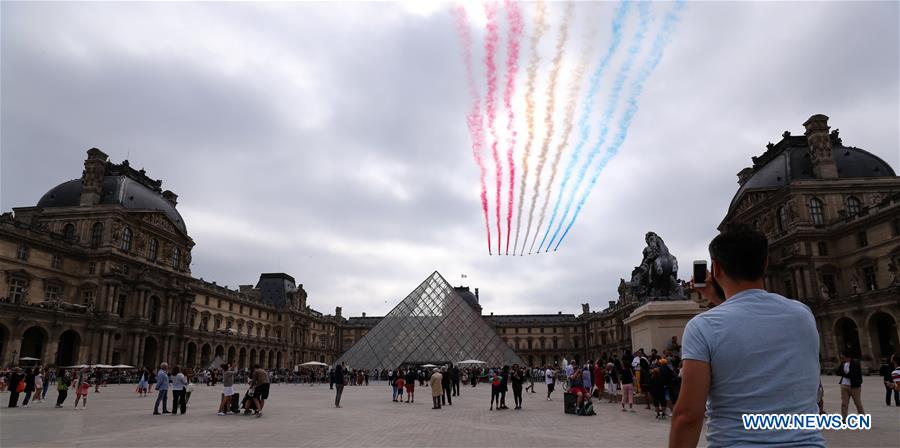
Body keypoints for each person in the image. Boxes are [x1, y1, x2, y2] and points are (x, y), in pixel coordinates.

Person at [670, 225, 824, 448]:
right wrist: (716, 298)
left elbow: (688, 415)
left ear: (716, 268)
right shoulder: (803, 314)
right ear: (765, 263)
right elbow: (750, 321)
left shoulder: (702, 327)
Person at [836, 350, 864, 420]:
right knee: (844, 404)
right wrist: (844, 373)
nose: (841, 356)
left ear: (846, 356)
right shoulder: (843, 363)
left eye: (842, 355)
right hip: (844, 385)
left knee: (858, 403)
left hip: (854, 386)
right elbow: (837, 372)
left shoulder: (855, 363)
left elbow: (853, 374)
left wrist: (844, 374)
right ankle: (844, 418)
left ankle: (862, 418)